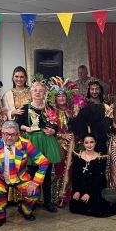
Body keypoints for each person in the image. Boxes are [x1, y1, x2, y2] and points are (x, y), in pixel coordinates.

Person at [0, 120, 49, 228]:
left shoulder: (25, 144)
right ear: (2, 133)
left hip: (20, 176)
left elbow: (43, 162)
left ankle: (24, 211)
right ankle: (0, 217)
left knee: (34, 192)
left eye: (13, 134)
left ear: (18, 134)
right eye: (6, 134)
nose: (9, 137)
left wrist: (35, 183)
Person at [15, 80, 62, 212]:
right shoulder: (25, 108)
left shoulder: (49, 107)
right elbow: (17, 124)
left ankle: (47, 201)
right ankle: (32, 200)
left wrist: (53, 130)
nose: (38, 93)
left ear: (44, 93)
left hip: (47, 142)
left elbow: (56, 125)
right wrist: (26, 128)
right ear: (31, 93)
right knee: (31, 173)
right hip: (32, 142)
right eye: (35, 90)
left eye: (41, 91)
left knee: (46, 173)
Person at [46, 77, 84, 207]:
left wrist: (74, 136)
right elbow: (48, 130)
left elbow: (79, 127)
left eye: (63, 96)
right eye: (58, 96)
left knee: (71, 170)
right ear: (54, 98)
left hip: (73, 145)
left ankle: (69, 196)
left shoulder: (72, 111)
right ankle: (57, 196)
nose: (61, 98)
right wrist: (62, 135)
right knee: (58, 170)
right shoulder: (51, 112)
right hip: (57, 145)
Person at [70, 134, 116, 217]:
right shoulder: (78, 156)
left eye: (91, 142)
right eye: (86, 142)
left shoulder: (100, 158)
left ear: (95, 143)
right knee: (74, 207)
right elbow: (75, 176)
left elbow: (99, 179)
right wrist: (77, 191)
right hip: (81, 188)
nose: (89, 145)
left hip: (94, 189)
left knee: (95, 208)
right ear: (83, 143)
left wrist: (89, 193)